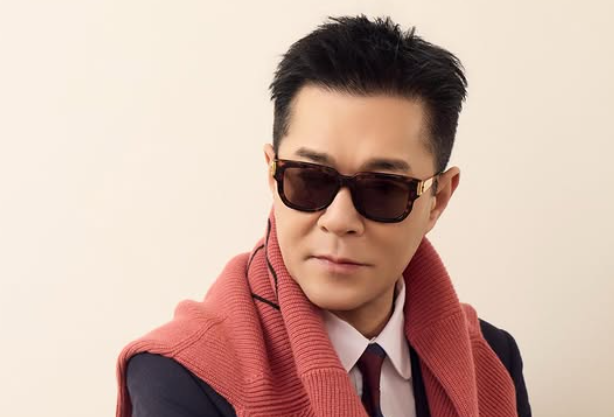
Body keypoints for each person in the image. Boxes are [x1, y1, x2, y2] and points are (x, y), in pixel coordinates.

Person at [115, 15, 531, 417]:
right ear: (273, 174)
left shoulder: (491, 360)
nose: (339, 219)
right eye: (310, 179)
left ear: (437, 200)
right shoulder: (181, 377)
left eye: (383, 188)